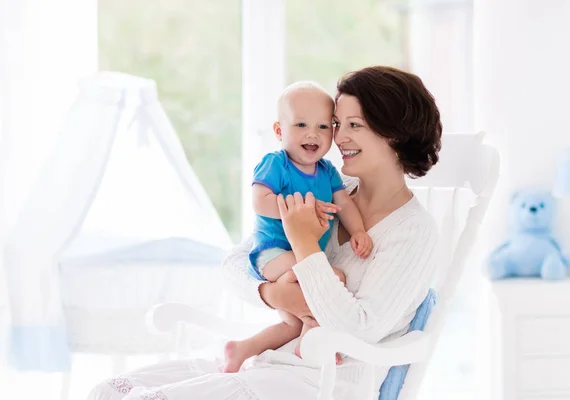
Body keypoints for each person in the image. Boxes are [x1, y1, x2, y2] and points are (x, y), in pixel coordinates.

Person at [87, 65, 442, 400]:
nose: (338, 137)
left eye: (355, 125)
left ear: (393, 135)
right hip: (266, 363)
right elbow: (238, 261)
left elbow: (358, 329)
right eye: (336, 123)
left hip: (318, 385)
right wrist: (271, 294)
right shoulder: (330, 187)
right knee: (107, 391)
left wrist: (305, 245)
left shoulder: (413, 231)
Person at [224, 81, 373, 373]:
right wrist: (302, 211)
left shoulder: (328, 172)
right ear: (279, 131)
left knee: (291, 322)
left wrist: (358, 231)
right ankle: (311, 343)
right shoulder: (275, 164)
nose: (312, 134)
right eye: (301, 124)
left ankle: (241, 349)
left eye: (322, 127)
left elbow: (344, 205)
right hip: (273, 254)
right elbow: (260, 201)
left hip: (302, 260)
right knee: (333, 277)